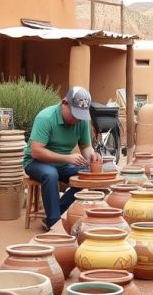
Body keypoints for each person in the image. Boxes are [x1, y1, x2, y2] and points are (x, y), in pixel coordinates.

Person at [24, 86, 101, 232]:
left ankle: (53, 213)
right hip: (36, 162)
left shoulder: (82, 120)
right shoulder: (46, 117)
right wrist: (68, 158)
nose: (77, 119)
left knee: (87, 175)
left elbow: (85, 146)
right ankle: (54, 224)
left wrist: (92, 156)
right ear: (64, 103)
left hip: (63, 162)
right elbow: (36, 151)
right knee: (50, 174)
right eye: (74, 114)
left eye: (80, 115)